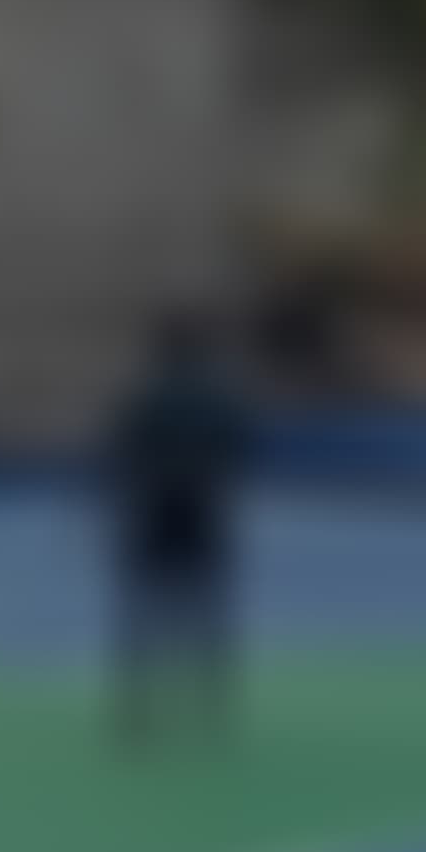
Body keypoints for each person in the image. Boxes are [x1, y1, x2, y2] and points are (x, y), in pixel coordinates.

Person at [105, 318, 246, 745]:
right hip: (201, 509)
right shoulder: (218, 401)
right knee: (205, 607)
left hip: (153, 509)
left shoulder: (145, 399)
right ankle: (211, 705)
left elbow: (121, 454)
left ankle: (138, 707)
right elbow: (240, 451)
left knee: (145, 608)